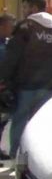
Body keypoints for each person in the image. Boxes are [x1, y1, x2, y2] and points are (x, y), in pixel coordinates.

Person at [0, 0, 52, 157]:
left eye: (25, 7)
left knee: (19, 122)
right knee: (41, 125)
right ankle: (37, 158)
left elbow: (12, 58)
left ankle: (16, 156)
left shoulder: (25, 28)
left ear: (34, 8)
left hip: (26, 86)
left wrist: (5, 82)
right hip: (51, 87)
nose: (24, 11)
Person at [0, 13, 16, 160]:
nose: (12, 29)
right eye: (10, 26)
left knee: (3, 121)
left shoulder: (6, 43)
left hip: (4, 87)